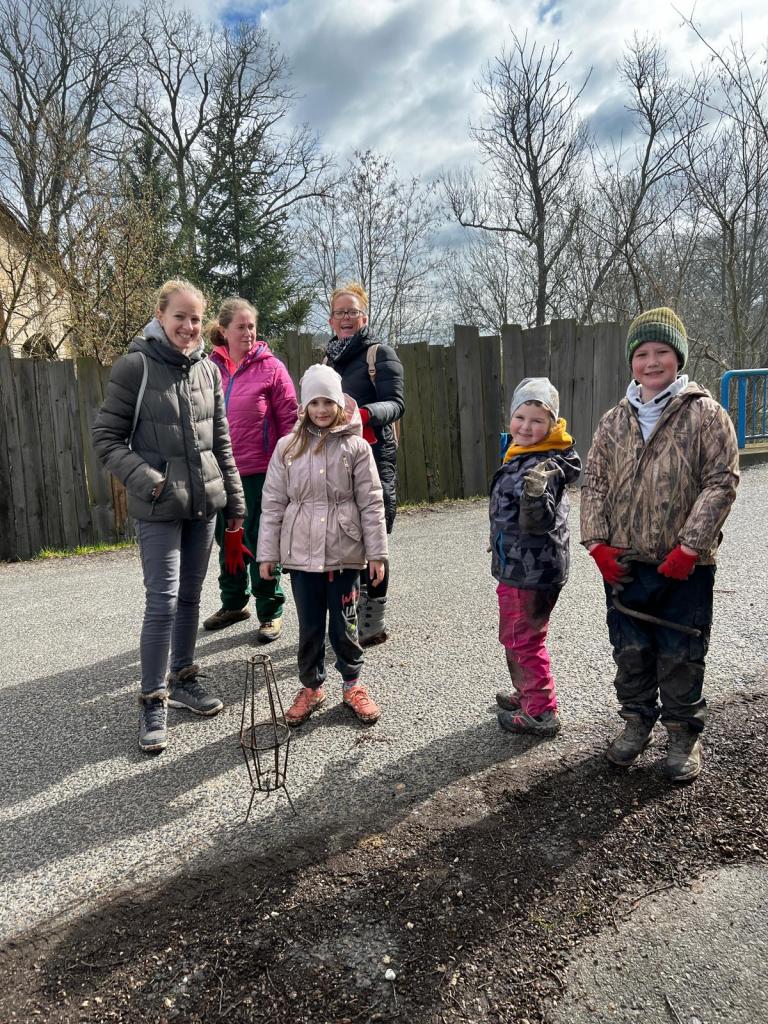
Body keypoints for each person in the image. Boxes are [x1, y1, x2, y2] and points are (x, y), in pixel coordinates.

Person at [581, 307, 739, 782]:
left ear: (679, 357)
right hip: (627, 565)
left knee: (680, 653)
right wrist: (597, 545)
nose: (651, 362)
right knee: (630, 650)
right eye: (642, 353)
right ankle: (636, 721)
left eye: (662, 352)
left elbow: (721, 482)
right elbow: (594, 483)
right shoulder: (613, 422)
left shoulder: (706, 414)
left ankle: (682, 734)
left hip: (685, 569)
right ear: (632, 361)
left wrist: (690, 548)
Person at [93, 279, 246, 755]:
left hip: (202, 506)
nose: (188, 326)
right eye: (180, 316)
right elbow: (106, 438)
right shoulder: (135, 366)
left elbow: (221, 442)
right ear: (160, 316)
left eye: (196, 318)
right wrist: (150, 481)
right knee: (162, 601)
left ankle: (183, 678)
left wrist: (235, 503)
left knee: (190, 598)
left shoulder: (209, 370)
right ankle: (152, 698)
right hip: (159, 506)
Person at [257, 364, 388, 726]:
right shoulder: (287, 448)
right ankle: (312, 687)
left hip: (344, 554)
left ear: (339, 404)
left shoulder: (356, 447)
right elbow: (272, 503)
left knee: (345, 625)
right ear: (304, 407)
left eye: (328, 401)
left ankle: (352, 684)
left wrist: (377, 553)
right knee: (310, 627)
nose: (321, 409)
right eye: (314, 402)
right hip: (301, 557)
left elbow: (371, 501)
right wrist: (267, 553)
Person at [202, 298, 298, 642]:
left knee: (261, 540)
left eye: (252, 326)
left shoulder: (271, 368)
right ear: (224, 330)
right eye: (241, 326)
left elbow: (289, 421)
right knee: (227, 540)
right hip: (219, 474)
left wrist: (288, 467)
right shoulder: (208, 368)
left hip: (260, 472)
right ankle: (233, 603)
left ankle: (270, 611)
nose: (248, 332)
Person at [490, 378, 582, 736]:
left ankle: (540, 712)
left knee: (523, 638)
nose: (526, 427)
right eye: (520, 417)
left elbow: (538, 521)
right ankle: (527, 692)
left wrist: (534, 495)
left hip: (530, 570)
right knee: (518, 634)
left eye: (537, 420)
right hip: (519, 562)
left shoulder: (546, 464)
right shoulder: (524, 452)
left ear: (552, 424)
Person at [323, 283, 404, 646]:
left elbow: (396, 403)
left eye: (352, 312)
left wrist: (364, 414)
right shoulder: (326, 362)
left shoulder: (379, 354)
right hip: (336, 459)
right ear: (331, 320)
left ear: (363, 317)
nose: (346, 318)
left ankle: (374, 617)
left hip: (373, 455)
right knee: (344, 535)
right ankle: (350, 609)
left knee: (373, 535)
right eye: (340, 312)